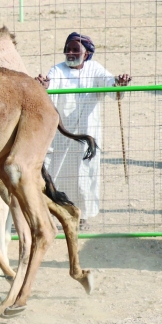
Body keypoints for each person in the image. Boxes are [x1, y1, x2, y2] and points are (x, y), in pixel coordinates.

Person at [36, 32, 131, 226]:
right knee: (54, 171)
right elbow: (50, 84)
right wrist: (44, 86)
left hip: (88, 135)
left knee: (85, 174)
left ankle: (82, 215)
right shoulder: (58, 70)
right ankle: (54, 213)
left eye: (75, 50)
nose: (70, 53)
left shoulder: (95, 69)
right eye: (68, 49)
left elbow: (110, 84)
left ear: (86, 53)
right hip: (61, 135)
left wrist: (119, 83)